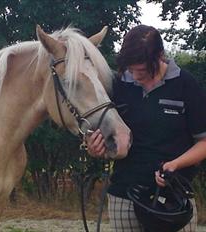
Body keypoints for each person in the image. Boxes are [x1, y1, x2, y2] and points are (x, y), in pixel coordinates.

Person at [87, 24, 206, 232]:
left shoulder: (185, 84)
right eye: (130, 69)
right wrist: (95, 147)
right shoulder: (118, 86)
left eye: (141, 70)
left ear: (160, 56)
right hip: (124, 198)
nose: (135, 76)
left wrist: (175, 165)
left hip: (174, 200)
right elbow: (104, 135)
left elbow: (203, 142)